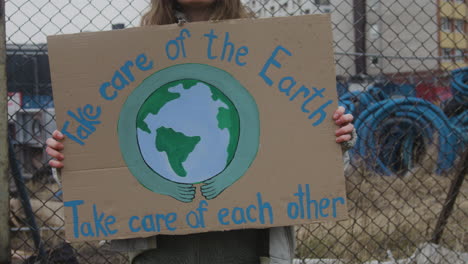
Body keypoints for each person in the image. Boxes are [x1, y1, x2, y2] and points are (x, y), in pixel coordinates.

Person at [46, 1, 356, 263]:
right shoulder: (127, 50)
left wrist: (335, 139)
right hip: (161, 246)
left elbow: (303, 155)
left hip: (246, 243)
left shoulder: (267, 44)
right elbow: (102, 158)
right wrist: (68, 159)